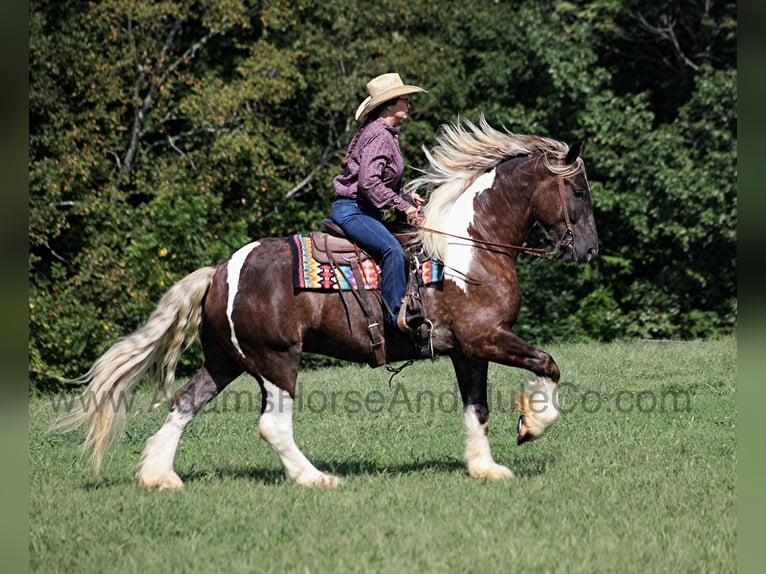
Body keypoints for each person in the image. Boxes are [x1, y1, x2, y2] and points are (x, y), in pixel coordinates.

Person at [331, 72, 428, 333]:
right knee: (392, 251)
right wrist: (404, 206)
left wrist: (406, 196)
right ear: (389, 105)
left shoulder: (385, 132)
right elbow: (369, 183)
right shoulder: (380, 135)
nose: (409, 104)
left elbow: (380, 181)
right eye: (404, 100)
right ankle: (394, 317)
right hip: (354, 210)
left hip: (364, 209)